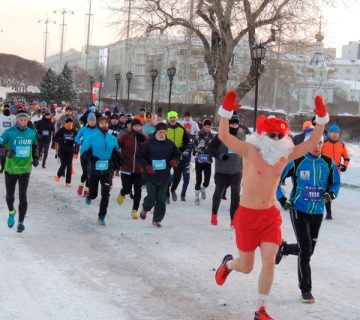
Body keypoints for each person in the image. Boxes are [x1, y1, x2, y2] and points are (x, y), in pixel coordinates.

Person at [214, 90, 329, 320]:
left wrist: (321, 118)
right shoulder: (249, 150)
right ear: (262, 134)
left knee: (269, 261)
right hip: (247, 216)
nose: (276, 139)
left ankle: (261, 309)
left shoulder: (284, 156)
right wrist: (226, 112)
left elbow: (310, 144)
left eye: (280, 135)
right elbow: (224, 136)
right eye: (272, 135)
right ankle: (228, 264)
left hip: (269, 217)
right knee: (246, 267)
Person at [276, 129, 340, 303]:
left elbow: (335, 183)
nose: (317, 147)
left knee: (309, 250)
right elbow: (276, 180)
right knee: (305, 251)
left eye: (320, 143)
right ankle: (306, 290)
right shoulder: (296, 162)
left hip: (317, 212)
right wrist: (283, 200)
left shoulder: (328, 163)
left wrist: (331, 195)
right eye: (313, 143)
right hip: (299, 210)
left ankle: (284, 249)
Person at [0, 111, 39, 233]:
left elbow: (35, 146)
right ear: (17, 120)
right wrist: (6, 152)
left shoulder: (32, 133)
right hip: (11, 169)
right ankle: (11, 212)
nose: (23, 122)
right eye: (21, 120)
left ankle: (21, 222)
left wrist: (36, 157)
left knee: (23, 195)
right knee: (10, 195)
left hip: (25, 169)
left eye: (25, 120)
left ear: (27, 120)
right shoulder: (9, 132)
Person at [136, 122, 180, 227]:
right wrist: (147, 166)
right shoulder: (148, 143)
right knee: (151, 196)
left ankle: (157, 219)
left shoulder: (170, 144)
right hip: (151, 175)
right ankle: (145, 209)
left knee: (161, 198)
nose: (162, 134)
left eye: (164, 132)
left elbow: (177, 155)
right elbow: (139, 156)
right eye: (160, 132)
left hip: (164, 176)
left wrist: (174, 160)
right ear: (156, 131)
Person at [80, 116, 121, 225]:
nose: (104, 125)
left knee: (105, 194)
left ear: (108, 125)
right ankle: (90, 195)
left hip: (107, 170)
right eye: (102, 123)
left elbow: (117, 151)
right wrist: (91, 157)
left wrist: (118, 161)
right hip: (94, 169)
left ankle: (101, 217)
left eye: (106, 123)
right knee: (94, 194)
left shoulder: (112, 138)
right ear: (98, 125)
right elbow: (83, 150)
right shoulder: (92, 137)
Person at [207, 114, 244, 226]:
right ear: (228, 125)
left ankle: (234, 219)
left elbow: (246, 150)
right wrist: (220, 155)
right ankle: (214, 214)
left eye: (236, 124)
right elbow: (210, 149)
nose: (234, 126)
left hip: (237, 170)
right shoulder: (220, 136)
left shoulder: (241, 136)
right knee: (219, 192)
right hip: (222, 171)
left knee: (235, 194)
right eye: (232, 124)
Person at [117, 118, 146, 219]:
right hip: (126, 167)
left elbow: (149, 145)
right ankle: (122, 192)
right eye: (135, 126)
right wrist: (118, 159)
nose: (137, 128)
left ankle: (134, 210)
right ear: (131, 127)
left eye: (139, 126)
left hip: (138, 169)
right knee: (127, 189)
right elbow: (116, 146)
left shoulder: (143, 138)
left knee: (138, 191)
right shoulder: (124, 137)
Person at [321, 123, 349, 219]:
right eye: (333, 132)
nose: (335, 134)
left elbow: (346, 158)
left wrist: (344, 166)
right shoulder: (323, 143)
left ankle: (328, 211)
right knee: (323, 190)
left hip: (336, 172)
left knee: (330, 190)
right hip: (323, 171)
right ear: (329, 133)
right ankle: (327, 212)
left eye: (337, 132)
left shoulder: (341, 145)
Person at [166, 111, 189, 202]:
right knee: (165, 175)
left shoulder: (181, 128)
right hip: (166, 154)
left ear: (177, 118)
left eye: (174, 117)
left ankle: (173, 189)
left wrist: (181, 150)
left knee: (178, 176)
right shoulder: (165, 128)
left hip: (177, 154)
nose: (172, 119)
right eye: (171, 117)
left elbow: (186, 141)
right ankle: (166, 194)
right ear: (168, 118)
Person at [74, 112, 98, 196]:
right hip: (84, 153)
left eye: (94, 120)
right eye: (91, 120)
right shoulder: (83, 129)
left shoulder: (98, 130)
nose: (92, 122)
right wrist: (82, 143)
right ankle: (81, 185)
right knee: (85, 172)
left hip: (93, 153)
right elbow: (76, 138)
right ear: (88, 121)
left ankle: (87, 190)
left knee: (90, 172)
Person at [193, 119, 214, 205]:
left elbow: (215, 147)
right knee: (198, 179)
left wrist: (213, 152)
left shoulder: (213, 136)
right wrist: (196, 150)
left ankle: (203, 189)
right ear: (203, 126)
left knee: (207, 180)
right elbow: (194, 144)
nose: (207, 128)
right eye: (206, 126)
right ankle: (197, 197)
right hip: (199, 160)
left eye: (209, 127)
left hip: (208, 160)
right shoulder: (198, 135)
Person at [54, 117, 78, 186]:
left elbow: (77, 140)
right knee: (63, 165)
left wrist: (76, 150)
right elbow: (55, 138)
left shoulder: (74, 130)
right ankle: (58, 175)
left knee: (69, 165)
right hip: (62, 150)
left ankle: (68, 182)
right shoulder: (61, 130)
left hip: (70, 150)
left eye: (71, 123)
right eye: (68, 123)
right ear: (65, 123)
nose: (70, 125)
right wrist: (62, 141)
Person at [179, 123, 196, 201]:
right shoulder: (180, 136)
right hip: (179, 161)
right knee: (175, 178)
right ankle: (168, 192)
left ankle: (183, 195)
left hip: (186, 161)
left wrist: (195, 151)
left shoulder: (193, 137)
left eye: (189, 128)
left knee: (187, 178)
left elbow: (196, 147)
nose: (187, 130)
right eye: (186, 128)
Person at [0, 104, 16, 173]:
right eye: (5, 108)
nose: (6, 109)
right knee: (2, 155)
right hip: (2, 139)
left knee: (10, 154)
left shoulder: (14, 117)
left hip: (11, 139)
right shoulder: (0, 116)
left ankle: (10, 167)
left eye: (8, 108)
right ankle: (3, 167)